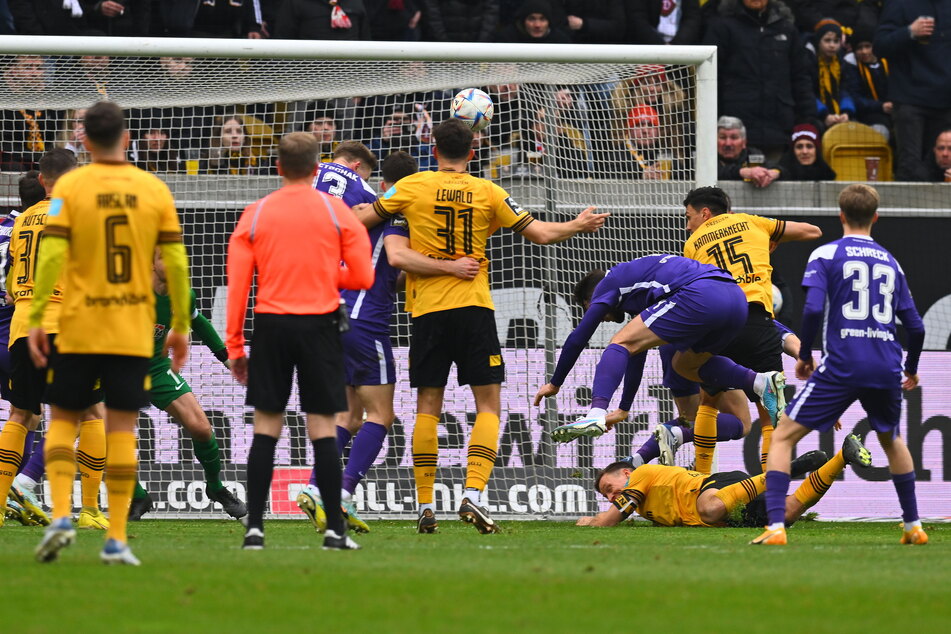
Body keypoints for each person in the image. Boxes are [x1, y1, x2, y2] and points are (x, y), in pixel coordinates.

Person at [373, 118, 608, 534]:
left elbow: (371, 218)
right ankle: (475, 494)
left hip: (426, 311)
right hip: (473, 309)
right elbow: (538, 232)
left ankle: (425, 504)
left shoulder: (411, 187)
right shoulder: (488, 192)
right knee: (488, 405)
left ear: (432, 149)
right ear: (474, 152)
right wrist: (577, 224)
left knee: (427, 407)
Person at [28, 102, 191, 566]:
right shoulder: (152, 187)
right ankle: (116, 537)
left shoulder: (70, 186)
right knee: (122, 427)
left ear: (84, 141)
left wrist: (39, 314)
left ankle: (61, 514)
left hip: (78, 321)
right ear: (125, 138)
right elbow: (175, 261)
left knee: (62, 418)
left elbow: (53, 255)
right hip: (131, 325)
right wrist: (179, 323)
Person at [753, 184, 927, 546]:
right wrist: (910, 367)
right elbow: (916, 326)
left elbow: (815, 308)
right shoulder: (891, 262)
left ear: (841, 215)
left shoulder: (826, 254)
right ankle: (913, 525)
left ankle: (775, 528)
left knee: (783, 436)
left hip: (844, 363)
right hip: (885, 364)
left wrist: (804, 356)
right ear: (875, 217)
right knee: (892, 439)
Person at [226, 132, 373, 551]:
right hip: (321, 324)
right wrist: (324, 273)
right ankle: (334, 533)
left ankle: (254, 529)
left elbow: (239, 284)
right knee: (323, 428)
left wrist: (235, 347)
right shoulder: (337, 214)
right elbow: (362, 276)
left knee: (266, 428)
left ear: (278, 168)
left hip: (272, 324)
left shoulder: (257, 213)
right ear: (315, 169)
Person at [535, 255, 784, 455]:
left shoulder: (606, 287)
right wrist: (623, 409)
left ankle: (595, 413)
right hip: (736, 299)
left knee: (619, 342)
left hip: (700, 295)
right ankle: (760, 382)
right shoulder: (639, 285)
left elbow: (579, 336)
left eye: (589, 309)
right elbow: (637, 354)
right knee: (686, 365)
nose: (601, 317)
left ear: (591, 299)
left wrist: (555, 383)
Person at [0, 149, 111, 531]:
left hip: (23, 326)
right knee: (91, 412)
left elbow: (11, 288)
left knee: (20, 414)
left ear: (43, 179)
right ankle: (91, 510)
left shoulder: (23, 220)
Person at [681, 186, 821, 473]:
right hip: (756, 320)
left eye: (689, 216)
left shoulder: (693, 243)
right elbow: (812, 232)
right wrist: (771, 237)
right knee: (770, 413)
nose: (688, 224)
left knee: (708, 400)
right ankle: (771, 486)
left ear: (705, 213)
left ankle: (701, 479)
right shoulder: (753, 222)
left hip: (717, 324)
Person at [295, 141, 389, 534]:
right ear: (358, 166)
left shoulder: (307, 180)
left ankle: (317, 488)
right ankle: (341, 491)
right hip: (362, 314)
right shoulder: (374, 200)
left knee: (347, 416)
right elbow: (394, 256)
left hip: (322, 307)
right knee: (382, 415)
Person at [127, 250, 247, 522]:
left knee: (201, 428)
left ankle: (216, 488)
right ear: (151, 262)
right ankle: (137, 495)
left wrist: (225, 357)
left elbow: (198, 321)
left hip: (157, 369)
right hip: (121, 368)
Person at [581, 434, 871, 528]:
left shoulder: (641, 474)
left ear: (627, 474)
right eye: (606, 495)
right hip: (728, 507)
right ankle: (841, 457)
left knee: (708, 507)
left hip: (716, 487)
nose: (610, 496)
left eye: (609, 488)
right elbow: (615, 510)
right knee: (787, 513)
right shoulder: (642, 500)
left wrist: (594, 522)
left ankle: (785, 470)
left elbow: (613, 516)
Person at [703, 0, 817, 161]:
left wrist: (808, 119)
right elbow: (711, 77)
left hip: (779, 130)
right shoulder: (722, 26)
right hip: (733, 134)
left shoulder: (787, 28)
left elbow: (800, 78)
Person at [874, 2, 951, 181]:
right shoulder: (900, 4)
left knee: (945, 165)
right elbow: (879, 46)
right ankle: (908, 209)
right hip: (910, 101)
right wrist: (909, 32)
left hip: (945, 100)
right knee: (911, 167)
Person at [843, 27, 893, 141]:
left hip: (892, 109)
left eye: (867, 46)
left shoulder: (886, 62)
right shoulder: (851, 67)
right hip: (867, 113)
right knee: (880, 130)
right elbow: (854, 97)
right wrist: (880, 106)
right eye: (859, 48)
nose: (864, 51)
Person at [810, 19, 855, 130]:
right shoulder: (810, 63)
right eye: (827, 40)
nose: (832, 45)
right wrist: (824, 114)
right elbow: (808, 93)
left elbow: (845, 90)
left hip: (838, 113)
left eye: (836, 41)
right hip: (816, 113)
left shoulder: (842, 64)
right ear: (818, 42)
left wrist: (846, 111)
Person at [715, 116, 780, 187]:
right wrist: (743, 172)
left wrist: (774, 173)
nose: (728, 143)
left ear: (744, 142)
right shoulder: (708, 156)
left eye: (734, 138)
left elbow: (779, 169)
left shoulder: (753, 154)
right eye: (722, 137)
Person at [202, 114, 271, 176]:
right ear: (219, 137)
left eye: (239, 131)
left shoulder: (260, 163)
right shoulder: (207, 162)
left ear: (244, 137)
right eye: (228, 131)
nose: (234, 136)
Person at [420, 0, 500, 43]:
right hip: (442, 54)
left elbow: (492, 15)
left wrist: (481, 46)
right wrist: (445, 48)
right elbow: (432, 16)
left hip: (479, 52)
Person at [494, 0, 571, 43]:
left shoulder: (560, 41)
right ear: (523, 21)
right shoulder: (506, 39)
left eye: (542, 19)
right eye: (532, 19)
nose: (537, 25)